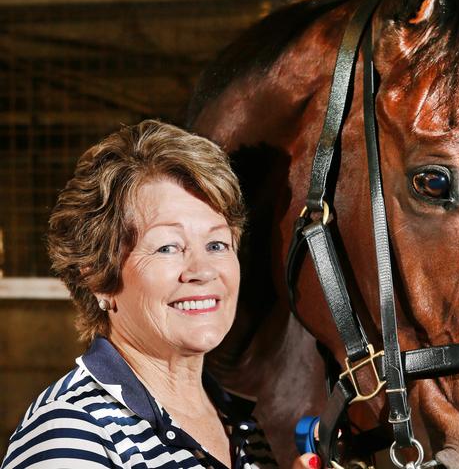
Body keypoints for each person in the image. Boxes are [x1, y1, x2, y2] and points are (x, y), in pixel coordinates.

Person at [1, 120, 319, 469]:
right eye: (168, 247)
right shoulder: (68, 434)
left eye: (216, 244)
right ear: (97, 278)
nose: (202, 271)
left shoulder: (240, 427)